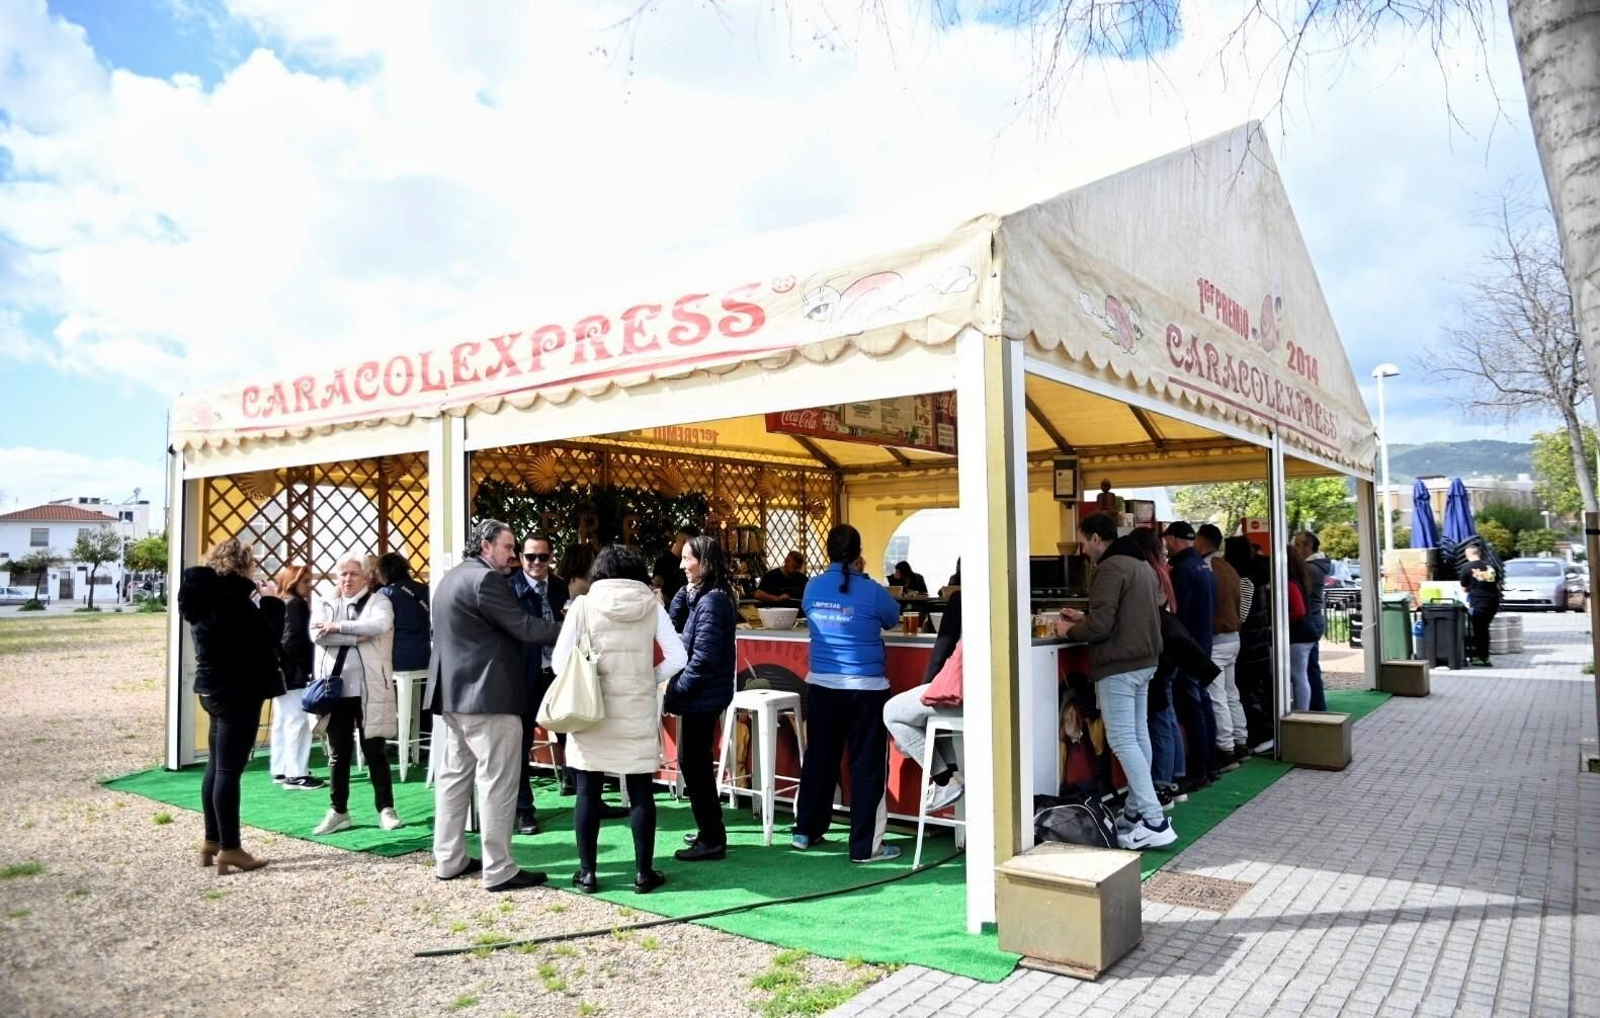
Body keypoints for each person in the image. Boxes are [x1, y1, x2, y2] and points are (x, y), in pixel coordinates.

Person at [427, 519, 564, 892]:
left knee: (454, 780)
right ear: (486, 546)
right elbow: (522, 626)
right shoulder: (486, 580)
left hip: (453, 698)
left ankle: (449, 858)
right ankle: (499, 867)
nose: (513, 557)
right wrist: (571, 627)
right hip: (488, 696)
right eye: (508, 547)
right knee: (497, 783)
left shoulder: (450, 578)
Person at [556, 545, 687, 894]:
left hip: (591, 708)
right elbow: (678, 656)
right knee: (642, 792)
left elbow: (558, 662)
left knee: (587, 791)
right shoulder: (652, 606)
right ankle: (644, 872)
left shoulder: (582, 605)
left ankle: (587, 872)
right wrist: (650, 675)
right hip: (637, 707)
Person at [1054, 512, 1173, 850]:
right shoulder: (1142, 566)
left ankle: (1153, 818)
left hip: (1118, 665)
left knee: (1122, 740)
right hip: (1145, 662)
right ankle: (1136, 811)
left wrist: (1071, 628)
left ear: (1095, 539)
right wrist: (1086, 617)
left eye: (1083, 540)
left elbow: (1102, 626)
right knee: (1137, 735)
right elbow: (1124, 616)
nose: (1082, 548)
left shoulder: (1109, 568)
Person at [793, 525, 904, 863]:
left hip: (822, 685)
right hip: (866, 689)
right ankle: (865, 848)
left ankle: (805, 831)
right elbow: (893, 618)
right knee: (866, 765)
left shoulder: (812, 587)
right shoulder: (871, 591)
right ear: (858, 554)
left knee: (820, 759)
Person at [178, 538, 283, 874]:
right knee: (228, 771)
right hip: (238, 690)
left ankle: (212, 840)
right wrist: (271, 602)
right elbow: (267, 638)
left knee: (215, 766)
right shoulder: (232, 600)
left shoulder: (203, 596)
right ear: (243, 564)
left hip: (211, 688)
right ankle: (231, 848)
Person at [310, 557, 402, 836]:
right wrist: (356, 634)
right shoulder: (325, 601)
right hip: (336, 689)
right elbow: (316, 635)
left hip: (371, 689)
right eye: (342, 574)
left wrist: (336, 628)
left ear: (366, 577)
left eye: (353, 574)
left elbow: (378, 626)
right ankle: (338, 810)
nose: (347, 579)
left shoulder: (380, 602)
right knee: (338, 754)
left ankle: (386, 809)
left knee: (375, 749)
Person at [665, 536, 737, 862]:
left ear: (704, 562)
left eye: (687, 560)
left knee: (695, 764)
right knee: (693, 763)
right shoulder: (703, 597)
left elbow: (704, 658)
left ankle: (711, 837)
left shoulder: (712, 602)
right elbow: (674, 624)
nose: (682, 566)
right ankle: (709, 831)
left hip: (702, 695)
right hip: (702, 694)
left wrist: (676, 691)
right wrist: (686, 591)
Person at [883, 591, 965, 812]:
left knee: (891, 712)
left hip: (966, 697)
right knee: (933, 710)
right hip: (1001, 700)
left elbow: (943, 648)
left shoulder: (962, 598)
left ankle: (944, 780)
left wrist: (925, 689)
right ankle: (952, 776)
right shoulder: (1012, 595)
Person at [510, 532, 571, 829]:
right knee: (518, 742)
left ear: (551, 557)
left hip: (558, 671)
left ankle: (586, 795)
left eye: (542, 557)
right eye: (530, 556)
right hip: (524, 673)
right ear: (520, 557)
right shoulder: (510, 589)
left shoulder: (561, 587)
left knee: (574, 732)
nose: (536, 562)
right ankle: (523, 809)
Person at [1127, 528, 1182, 800]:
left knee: (1158, 718)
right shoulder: (1163, 572)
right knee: (1167, 715)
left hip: (1157, 653)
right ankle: (1175, 777)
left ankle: (1160, 781)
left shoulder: (1150, 574)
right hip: (1168, 652)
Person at [1163, 521, 1218, 790]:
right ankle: (1209, 764)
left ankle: (1198, 770)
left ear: (1172, 540)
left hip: (1186, 649)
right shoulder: (1203, 567)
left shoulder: (1182, 570)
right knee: (1203, 704)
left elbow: (1177, 614)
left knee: (1192, 708)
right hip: (1203, 645)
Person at [1197, 524, 1247, 768]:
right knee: (1230, 692)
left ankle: (1226, 750)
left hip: (1216, 639)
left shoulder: (1207, 568)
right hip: (1233, 637)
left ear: (1202, 541)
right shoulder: (1228, 568)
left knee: (1217, 696)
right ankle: (1241, 741)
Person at [377, 551, 431, 779]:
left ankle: (397, 748)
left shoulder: (385, 594)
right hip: (425, 657)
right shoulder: (423, 589)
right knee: (415, 704)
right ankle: (417, 750)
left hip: (397, 659)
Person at [270, 564, 323, 790]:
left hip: (279, 672)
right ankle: (296, 773)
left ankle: (281, 769)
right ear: (293, 582)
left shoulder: (280, 604)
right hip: (293, 672)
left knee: (283, 722)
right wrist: (308, 662)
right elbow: (292, 640)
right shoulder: (295, 605)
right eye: (305, 582)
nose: (308, 586)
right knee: (298, 722)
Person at [1293, 531, 1333, 711]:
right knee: (1310, 669)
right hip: (1314, 621)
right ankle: (1317, 706)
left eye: (1298, 545)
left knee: (1306, 672)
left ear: (1309, 547)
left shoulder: (1310, 569)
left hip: (1309, 622)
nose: (1295, 549)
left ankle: (1314, 708)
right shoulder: (1317, 567)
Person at [1286, 543, 1318, 711]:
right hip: (1306, 634)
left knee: (1298, 677)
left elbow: (1298, 611)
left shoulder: (1290, 583)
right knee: (1300, 676)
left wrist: (1279, 623)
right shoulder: (1300, 581)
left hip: (1298, 636)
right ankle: (1302, 710)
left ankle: (1302, 712)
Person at [1459, 542, 1500, 666]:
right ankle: (1484, 656)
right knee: (1484, 629)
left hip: (1478, 603)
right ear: (1480, 553)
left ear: (1467, 554)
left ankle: (1482, 658)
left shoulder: (1466, 568)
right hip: (1493, 603)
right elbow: (1496, 582)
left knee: (1479, 631)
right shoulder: (1491, 566)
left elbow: (1463, 587)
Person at [651, 525, 699, 607]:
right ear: (685, 541)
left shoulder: (688, 562)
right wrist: (673, 605)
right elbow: (656, 590)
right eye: (692, 544)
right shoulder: (663, 561)